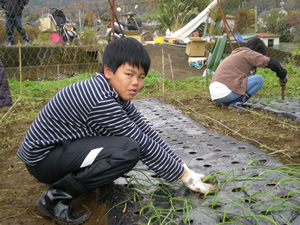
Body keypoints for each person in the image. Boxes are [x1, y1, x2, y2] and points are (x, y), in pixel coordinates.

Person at [17, 38, 217, 225]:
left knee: (127, 142)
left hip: (57, 150)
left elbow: (145, 129)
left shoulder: (110, 92)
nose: (136, 83)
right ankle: (55, 197)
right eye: (129, 74)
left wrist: (185, 168)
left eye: (141, 77)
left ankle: (74, 182)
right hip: (42, 160)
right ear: (108, 71)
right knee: (127, 150)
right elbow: (140, 142)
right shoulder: (98, 98)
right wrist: (184, 177)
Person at [209, 37, 287, 109]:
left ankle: (227, 102)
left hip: (215, 94)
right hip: (225, 94)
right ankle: (236, 104)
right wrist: (282, 74)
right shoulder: (249, 54)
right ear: (258, 51)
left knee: (244, 80)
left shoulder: (236, 53)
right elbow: (272, 63)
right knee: (259, 80)